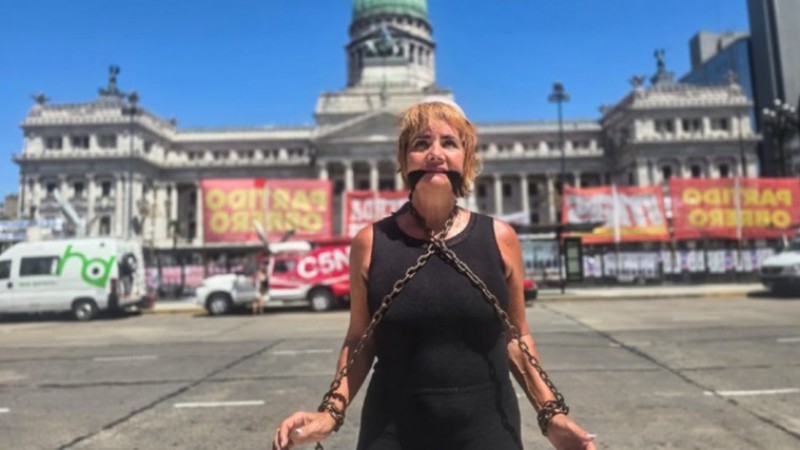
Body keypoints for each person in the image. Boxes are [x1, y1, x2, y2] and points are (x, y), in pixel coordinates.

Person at [272, 100, 595, 450]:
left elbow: (516, 340)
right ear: (404, 160)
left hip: (487, 428)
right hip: (392, 430)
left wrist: (551, 415)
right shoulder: (371, 242)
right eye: (421, 144)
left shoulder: (500, 239)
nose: (435, 154)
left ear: (466, 159)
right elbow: (359, 341)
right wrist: (329, 413)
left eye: (449, 143)